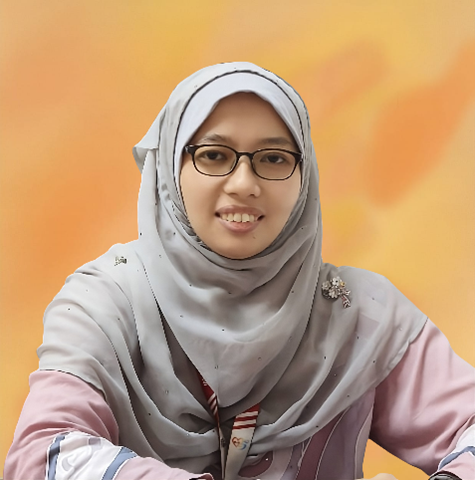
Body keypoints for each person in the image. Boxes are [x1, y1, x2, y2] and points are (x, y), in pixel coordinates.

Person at [4, 62, 474, 480]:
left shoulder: (360, 315)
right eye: (213, 155)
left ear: (304, 176)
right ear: (169, 169)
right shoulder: (105, 304)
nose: (244, 184)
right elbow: (43, 456)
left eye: (273, 158)